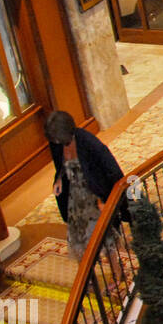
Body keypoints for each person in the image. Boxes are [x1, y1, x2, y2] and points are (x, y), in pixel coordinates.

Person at [45, 110, 126, 260]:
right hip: (75, 197)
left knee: (105, 237)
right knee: (79, 241)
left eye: (57, 139)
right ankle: (89, 277)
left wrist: (108, 201)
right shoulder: (56, 144)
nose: (55, 143)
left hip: (97, 195)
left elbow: (113, 173)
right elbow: (61, 167)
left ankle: (117, 271)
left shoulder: (91, 144)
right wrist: (59, 180)